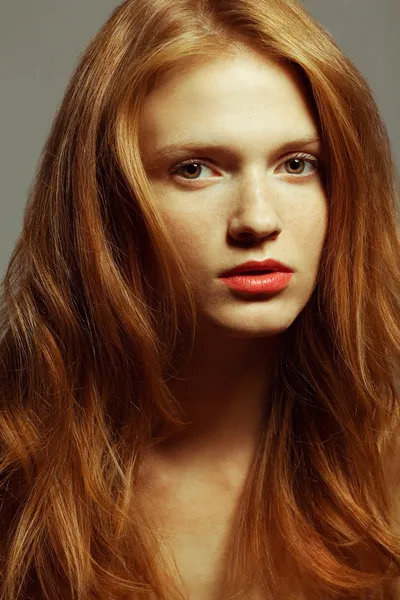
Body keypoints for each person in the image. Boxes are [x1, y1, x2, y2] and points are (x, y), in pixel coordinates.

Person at [0, 0, 399, 598]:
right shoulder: (16, 467)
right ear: (106, 200)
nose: (258, 220)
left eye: (296, 164)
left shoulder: (384, 468)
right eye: (195, 169)